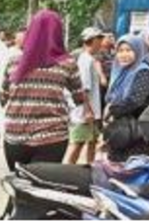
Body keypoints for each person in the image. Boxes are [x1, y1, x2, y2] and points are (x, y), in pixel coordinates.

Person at [2, 11, 86, 166]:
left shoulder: (14, 62)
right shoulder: (68, 63)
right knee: (43, 188)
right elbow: (79, 98)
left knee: (20, 186)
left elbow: (3, 98)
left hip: (15, 138)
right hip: (52, 139)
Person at [103, 34, 149, 161]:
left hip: (136, 132)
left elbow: (135, 101)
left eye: (129, 50)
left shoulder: (142, 71)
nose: (124, 54)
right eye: (120, 51)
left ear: (138, 50)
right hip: (120, 129)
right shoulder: (120, 71)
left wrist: (111, 110)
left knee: (131, 167)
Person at [65, 27, 105, 165]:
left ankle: (90, 168)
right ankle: (67, 171)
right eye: (99, 39)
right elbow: (84, 88)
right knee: (78, 143)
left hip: (92, 110)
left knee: (93, 141)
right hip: (85, 112)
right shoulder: (85, 60)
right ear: (91, 41)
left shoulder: (90, 59)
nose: (101, 42)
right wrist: (87, 110)